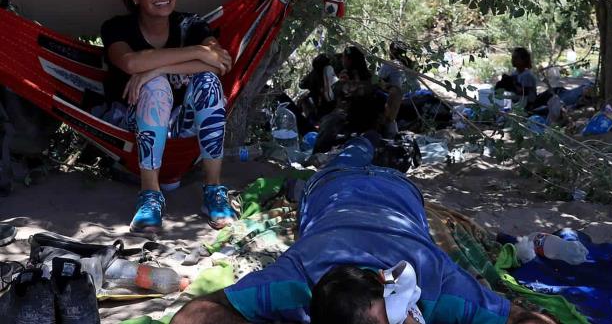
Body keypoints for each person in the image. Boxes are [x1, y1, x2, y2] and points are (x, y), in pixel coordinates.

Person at [171, 135, 556, 324]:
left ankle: (368, 142)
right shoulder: (297, 279)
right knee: (361, 154)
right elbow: (195, 314)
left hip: (351, 185)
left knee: (354, 153)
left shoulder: (437, 282)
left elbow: (195, 314)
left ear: (382, 279)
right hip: (377, 192)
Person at [100, 0, 237, 233]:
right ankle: (150, 195)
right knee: (156, 87)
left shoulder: (191, 24)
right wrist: (198, 52)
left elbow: (220, 63)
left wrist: (155, 69)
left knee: (208, 82)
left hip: (181, 123)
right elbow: (131, 63)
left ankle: (213, 189)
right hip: (132, 123)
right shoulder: (117, 27)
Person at [378, 41, 420, 136]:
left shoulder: (389, 64)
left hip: (402, 100)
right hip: (416, 95)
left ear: (392, 51)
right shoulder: (412, 64)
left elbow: (377, 80)